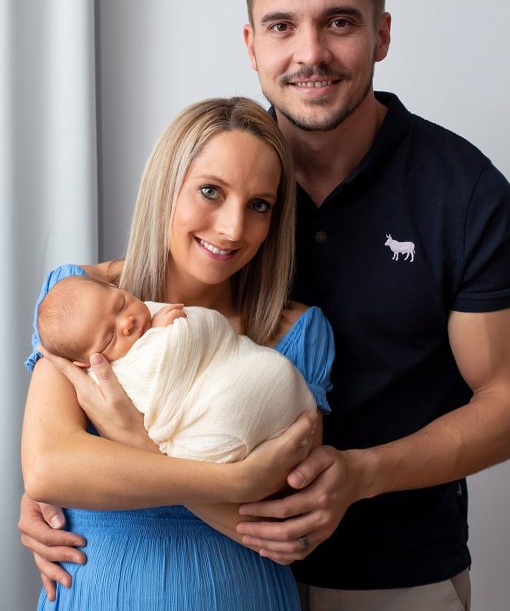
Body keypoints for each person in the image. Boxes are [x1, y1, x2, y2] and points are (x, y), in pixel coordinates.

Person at [21, 0, 510, 611]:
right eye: (282, 26)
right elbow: (53, 455)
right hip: (202, 560)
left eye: (340, 22)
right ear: (252, 44)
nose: (310, 51)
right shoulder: (226, 169)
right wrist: (66, 484)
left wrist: (362, 472)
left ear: (383, 34)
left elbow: (509, 399)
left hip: (390, 571)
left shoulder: (461, 191)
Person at [20, 97, 334, 610]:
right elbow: (50, 468)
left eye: (259, 205)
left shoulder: (299, 332)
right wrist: (236, 482)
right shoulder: (76, 296)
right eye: (211, 191)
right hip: (101, 592)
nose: (233, 228)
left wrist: (138, 445)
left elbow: (287, 535)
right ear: (167, 187)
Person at [37, 275, 319, 463]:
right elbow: (45, 474)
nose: (127, 323)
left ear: (116, 289)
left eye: (121, 304)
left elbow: (207, 334)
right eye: (110, 338)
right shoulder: (103, 374)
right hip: (217, 428)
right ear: (84, 362)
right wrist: (163, 337)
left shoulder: (147, 312)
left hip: (264, 380)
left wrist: (158, 329)